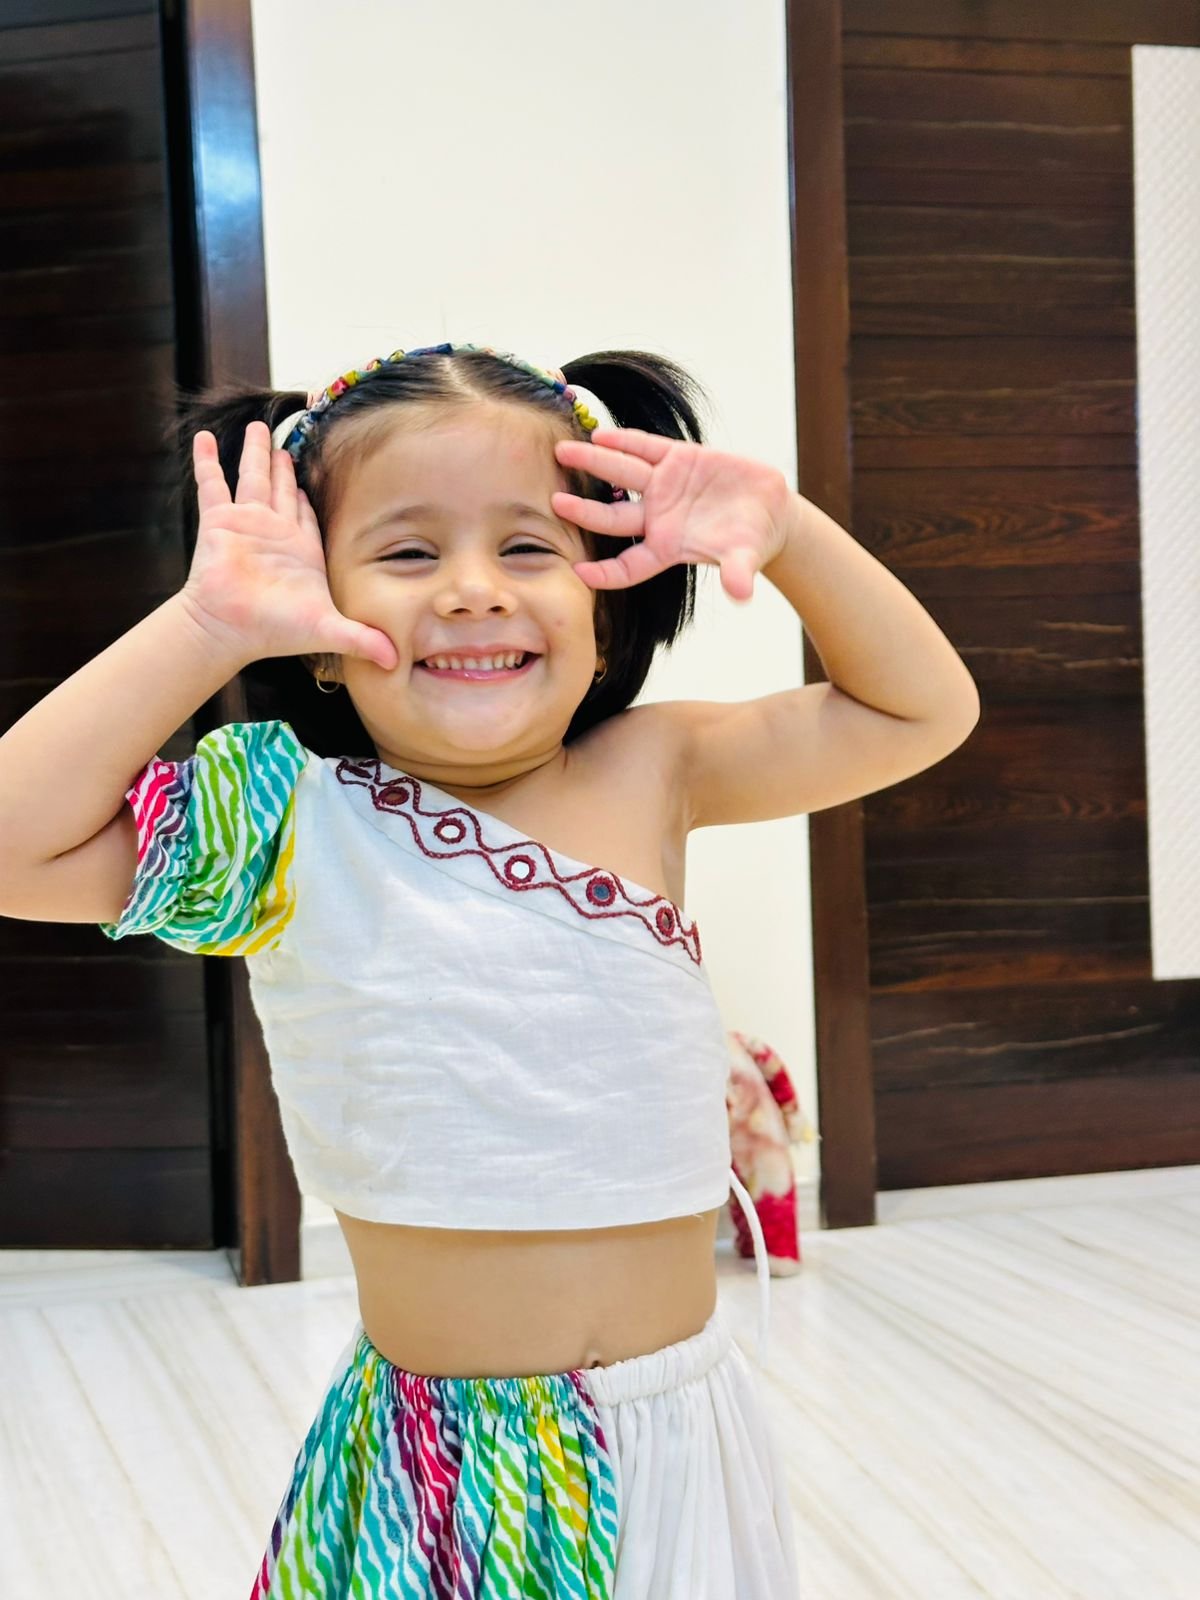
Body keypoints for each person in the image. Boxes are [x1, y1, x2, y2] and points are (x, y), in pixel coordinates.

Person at [0, 341, 979, 1597]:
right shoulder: (284, 819)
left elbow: (919, 711)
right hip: (440, 1470)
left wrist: (789, 533)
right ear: (316, 625)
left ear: (606, 608)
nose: (472, 591)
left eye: (526, 548)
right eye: (409, 553)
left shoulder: (656, 770)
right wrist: (205, 628)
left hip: (683, 1426)